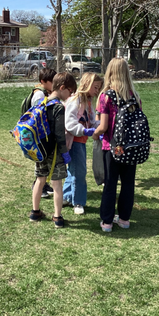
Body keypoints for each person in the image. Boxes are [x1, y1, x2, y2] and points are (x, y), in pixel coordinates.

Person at [93, 58, 141, 232]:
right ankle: (124, 219)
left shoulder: (106, 96)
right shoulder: (134, 95)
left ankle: (106, 222)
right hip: (131, 147)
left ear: (110, 72)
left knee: (110, 183)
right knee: (128, 183)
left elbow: (104, 126)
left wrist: (95, 134)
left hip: (111, 147)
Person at [29, 72, 77, 228]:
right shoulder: (58, 107)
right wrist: (64, 152)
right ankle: (57, 217)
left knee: (40, 179)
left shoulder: (41, 102)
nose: (70, 95)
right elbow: (59, 134)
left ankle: (35, 212)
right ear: (62, 88)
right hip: (54, 151)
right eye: (69, 92)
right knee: (57, 184)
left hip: (40, 149)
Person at [63, 72, 102, 215]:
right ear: (87, 84)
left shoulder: (88, 101)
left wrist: (101, 125)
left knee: (73, 169)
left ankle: (66, 196)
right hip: (74, 141)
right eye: (95, 87)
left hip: (80, 140)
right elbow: (70, 122)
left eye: (99, 88)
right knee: (79, 171)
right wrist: (85, 131)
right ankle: (78, 201)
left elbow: (91, 120)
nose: (97, 91)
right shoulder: (76, 100)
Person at [29, 68, 57, 198]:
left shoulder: (46, 92)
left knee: (44, 164)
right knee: (41, 164)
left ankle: (43, 185)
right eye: (51, 81)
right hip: (40, 135)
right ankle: (39, 186)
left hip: (43, 134)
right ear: (43, 82)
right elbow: (37, 113)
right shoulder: (39, 95)